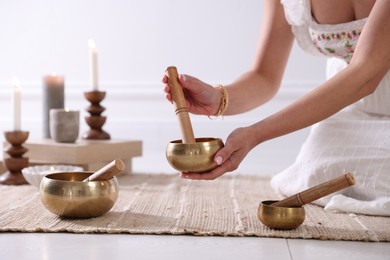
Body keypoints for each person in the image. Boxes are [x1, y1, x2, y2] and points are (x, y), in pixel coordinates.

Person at [162, 0, 390, 216]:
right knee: (317, 169)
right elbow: (264, 77)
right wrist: (219, 98)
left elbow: (364, 76)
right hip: (349, 112)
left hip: (363, 93)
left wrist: (255, 134)